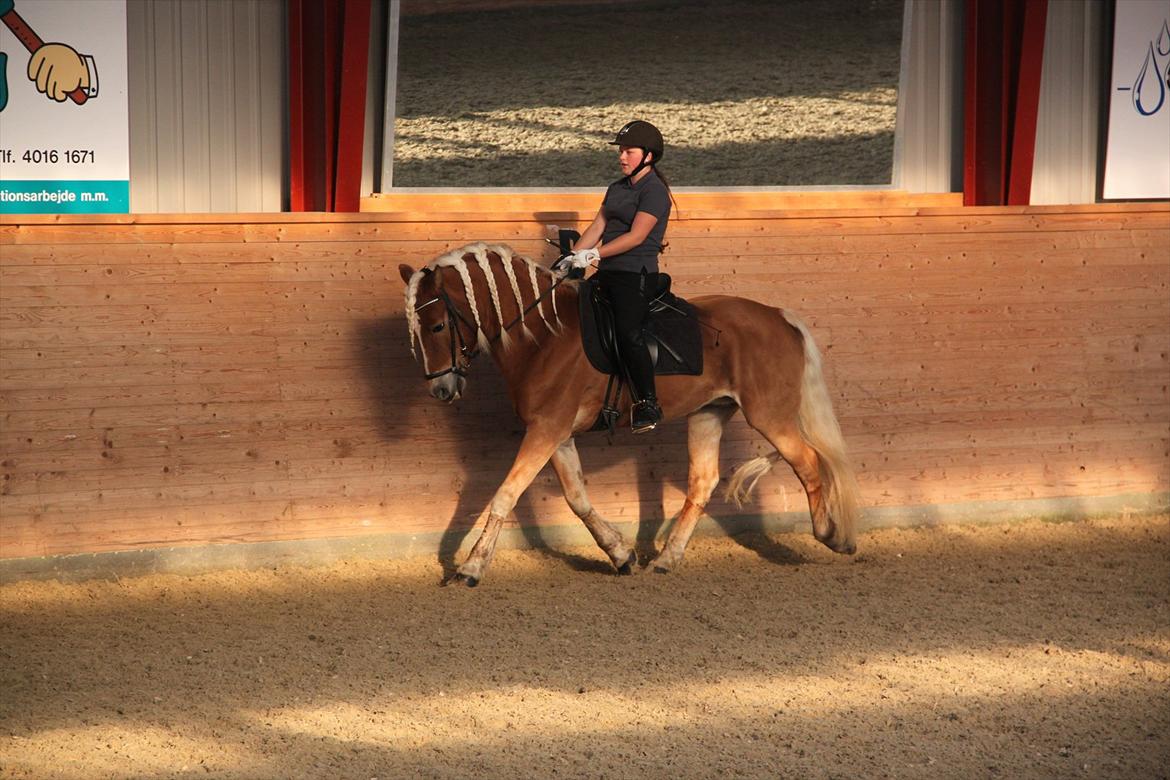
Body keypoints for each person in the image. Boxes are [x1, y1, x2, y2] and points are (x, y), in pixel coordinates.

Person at [566, 120, 674, 433]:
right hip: (607, 273)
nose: (622, 157)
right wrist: (571, 256)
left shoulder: (655, 192)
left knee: (629, 333)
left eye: (629, 151)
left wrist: (594, 255)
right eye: (621, 152)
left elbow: (637, 236)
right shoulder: (616, 188)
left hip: (634, 274)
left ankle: (648, 402)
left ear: (649, 156)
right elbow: (597, 227)